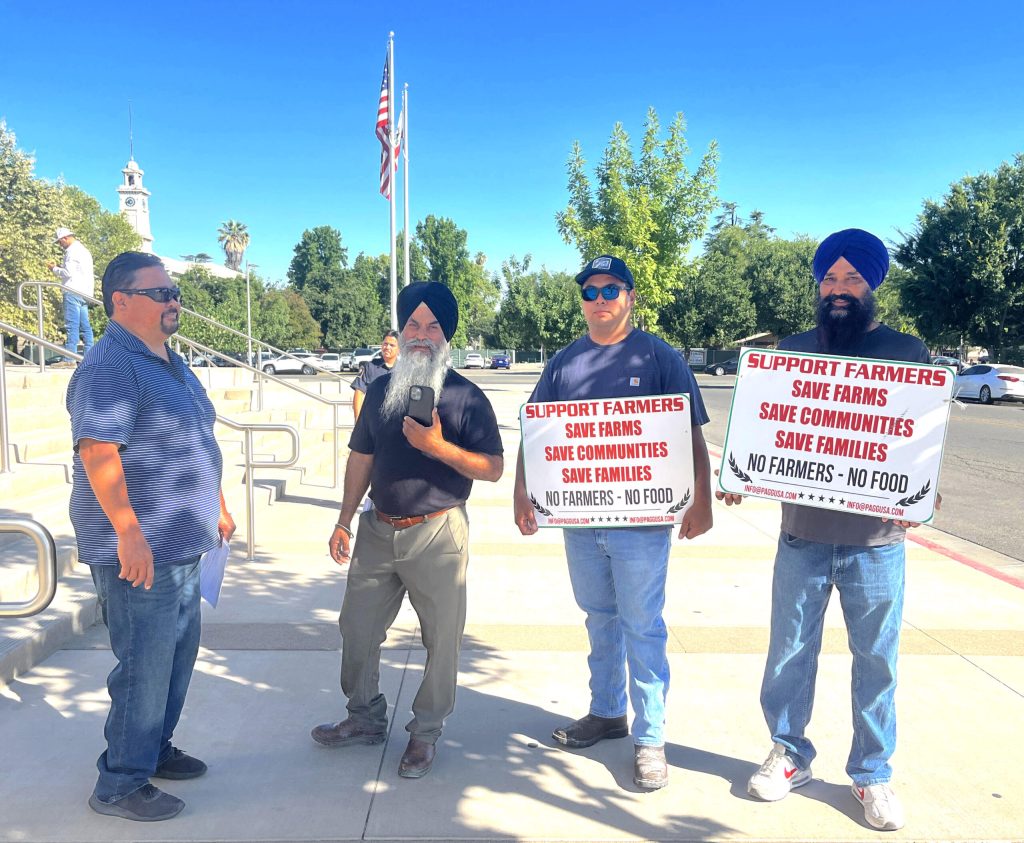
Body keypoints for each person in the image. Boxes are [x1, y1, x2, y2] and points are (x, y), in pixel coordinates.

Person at [722, 229, 933, 831]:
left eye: (851, 279)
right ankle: (790, 753)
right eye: (829, 279)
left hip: (877, 543)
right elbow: (766, 427)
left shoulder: (906, 352)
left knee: (877, 660)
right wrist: (743, 468)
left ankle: (872, 774)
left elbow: (919, 445)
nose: (838, 291)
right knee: (789, 652)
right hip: (802, 536)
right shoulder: (789, 350)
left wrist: (925, 488)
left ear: (872, 286)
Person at [513, 255, 714, 790]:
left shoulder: (658, 355)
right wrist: (522, 494)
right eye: (590, 292)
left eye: (610, 290)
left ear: (630, 297)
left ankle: (651, 739)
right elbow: (535, 432)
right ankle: (606, 712)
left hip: (642, 524)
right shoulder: (563, 363)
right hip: (580, 522)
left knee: (642, 625)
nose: (599, 300)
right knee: (598, 617)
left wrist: (703, 499)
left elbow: (689, 429)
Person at [66, 252, 236, 822]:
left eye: (174, 291)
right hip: (143, 549)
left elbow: (195, 441)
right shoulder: (110, 364)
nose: (174, 301)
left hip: (187, 540)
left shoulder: (172, 363)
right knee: (143, 664)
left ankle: (153, 749)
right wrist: (129, 534)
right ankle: (119, 782)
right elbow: (99, 451)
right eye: (160, 293)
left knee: (174, 659)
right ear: (120, 301)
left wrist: (217, 505)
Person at [312, 282, 504, 779]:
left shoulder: (466, 396)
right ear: (401, 331)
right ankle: (364, 718)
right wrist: (343, 519)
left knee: (441, 640)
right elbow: (362, 457)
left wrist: (439, 447)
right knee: (356, 629)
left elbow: (493, 468)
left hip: (438, 532)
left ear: (447, 335)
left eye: (432, 326)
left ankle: (425, 734)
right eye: (413, 325)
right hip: (378, 528)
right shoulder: (379, 389)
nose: (421, 335)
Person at [47, 226, 95, 365]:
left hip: (72, 290)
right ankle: (89, 358)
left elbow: (68, 273)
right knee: (85, 327)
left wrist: (54, 269)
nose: (60, 245)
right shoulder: (84, 250)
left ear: (65, 238)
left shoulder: (71, 251)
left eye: (60, 242)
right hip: (84, 293)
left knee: (72, 326)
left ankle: (69, 359)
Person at [351, 330, 400, 420]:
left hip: (396, 424)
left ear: (399, 349)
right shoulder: (370, 367)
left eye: (392, 345)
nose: (387, 347)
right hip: (372, 422)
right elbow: (359, 393)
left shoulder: (403, 370)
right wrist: (358, 421)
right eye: (385, 344)